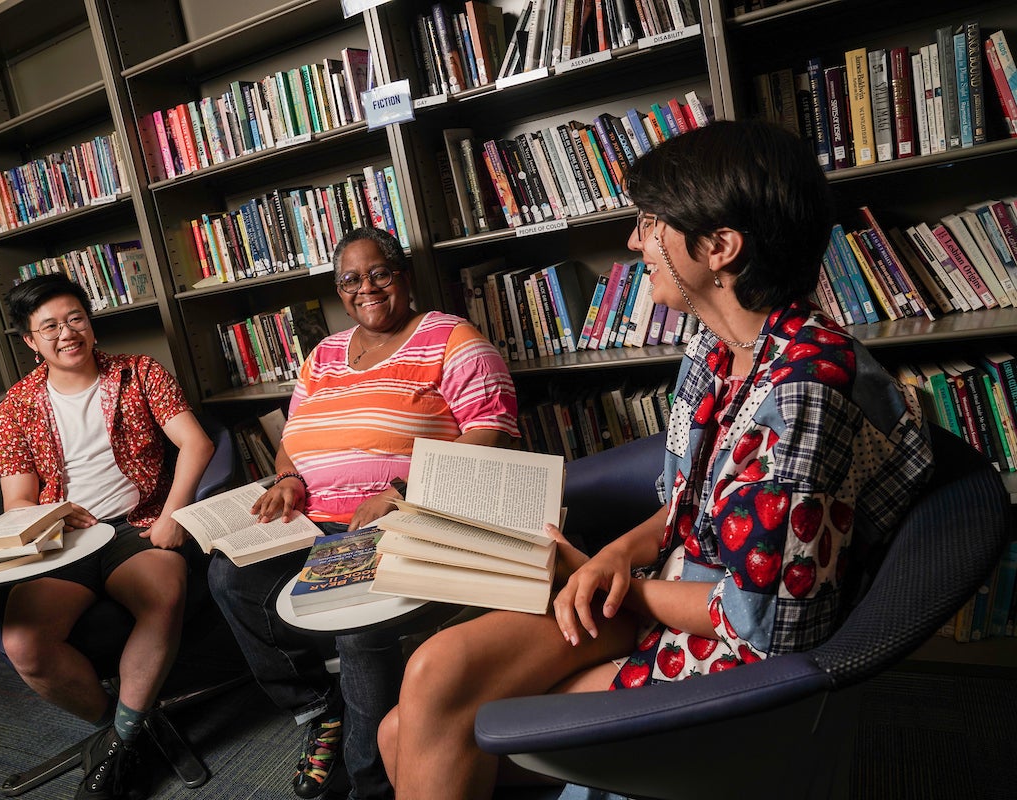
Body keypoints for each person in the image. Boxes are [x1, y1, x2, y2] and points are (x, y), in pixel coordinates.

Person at [378, 119, 935, 799]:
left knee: (419, 729)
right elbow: (693, 499)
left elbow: (767, 625)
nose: (635, 240)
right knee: (432, 680)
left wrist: (625, 587)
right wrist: (617, 554)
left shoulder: (803, 398)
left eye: (650, 221)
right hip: (668, 586)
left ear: (720, 247)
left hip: (733, 653)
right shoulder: (716, 346)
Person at [208, 226, 518, 800]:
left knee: (353, 618)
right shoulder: (323, 354)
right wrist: (287, 478)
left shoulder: (453, 337)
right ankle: (316, 709)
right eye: (351, 279)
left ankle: (369, 778)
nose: (366, 287)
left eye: (379, 273)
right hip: (313, 518)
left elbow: (491, 433)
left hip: (401, 516)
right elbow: (293, 436)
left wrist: (403, 487)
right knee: (230, 579)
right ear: (338, 289)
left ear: (402, 275)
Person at [0, 273, 215, 800]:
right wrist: (53, 515)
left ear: (89, 322)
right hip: (66, 538)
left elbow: (196, 444)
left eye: (75, 318)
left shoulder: (140, 373)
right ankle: (125, 731)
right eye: (50, 327)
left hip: (137, 525)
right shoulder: (17, 407)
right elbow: (16, 503)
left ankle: (120, 741)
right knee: (23, 645)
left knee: (162, 597)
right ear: (30, 341)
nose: (67, 333)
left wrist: (174, 514)